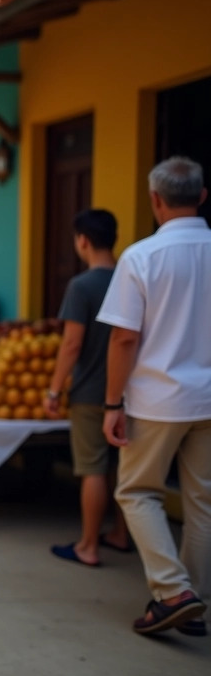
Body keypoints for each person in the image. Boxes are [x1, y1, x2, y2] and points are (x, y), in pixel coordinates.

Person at [98, 156, 211, 637]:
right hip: (209, 399)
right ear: (202, 196)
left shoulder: (141, 257)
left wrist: (111, 403)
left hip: (157, 399)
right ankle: (192, 604)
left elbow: (124, 339)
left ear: (154, 200)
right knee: (202, 503)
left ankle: (173, 591)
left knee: (136, 492)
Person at [45, 209, 131, 567]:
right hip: (129, 394)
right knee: (124, 471)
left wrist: (54, 389)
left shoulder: (81, 286)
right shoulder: (132, 279)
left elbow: (71, 345)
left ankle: (88, 546)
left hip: (91, 393)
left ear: (82, 240)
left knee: (92, 468)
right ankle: (121, 535)